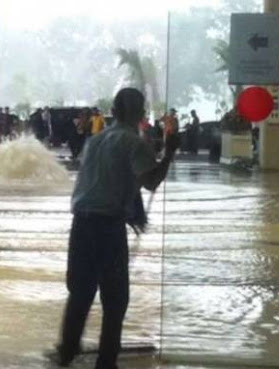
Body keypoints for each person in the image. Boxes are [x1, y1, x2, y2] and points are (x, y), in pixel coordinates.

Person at [49, 88, 179, 369]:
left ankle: (66, 352)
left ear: (115, 111)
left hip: (81, 223)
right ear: (138, 112)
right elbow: (151, 181)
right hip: (107, 227)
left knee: (81, 292)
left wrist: (133, 210)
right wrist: (169, 153)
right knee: (115, 298)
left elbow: (105, 179)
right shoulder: (134, 142)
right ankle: (106, 362)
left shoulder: (96, 141)